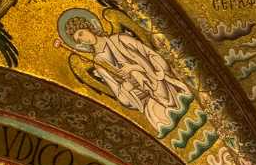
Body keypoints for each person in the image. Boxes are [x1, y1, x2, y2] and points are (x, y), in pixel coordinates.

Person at [60, 16, 190, 131]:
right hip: (144, 97)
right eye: (79, 40)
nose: (84, 40)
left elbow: (150, 54)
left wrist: (136, 68)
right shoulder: (99, 65)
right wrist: (125, 88)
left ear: (88, 27)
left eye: (81, 33)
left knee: (140, 77)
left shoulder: (120, 39)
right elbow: (121, 97)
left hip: (157, 81)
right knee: (157, 116)